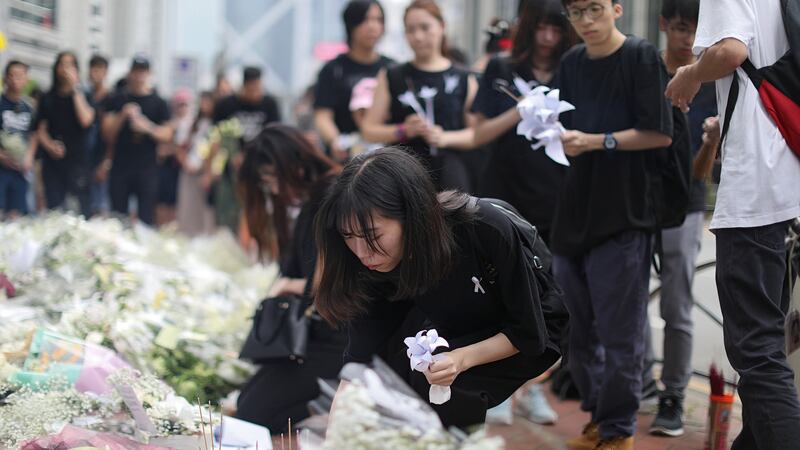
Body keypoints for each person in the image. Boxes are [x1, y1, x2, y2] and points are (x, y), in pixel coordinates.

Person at [312, 148, 569, 428]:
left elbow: (529, 334)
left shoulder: (484, 227)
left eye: (372, 235)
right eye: (349, 236)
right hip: (450, 323)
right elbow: (359, 361)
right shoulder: (370, 261)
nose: (362, 252)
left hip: (528, 329)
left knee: (441, 392)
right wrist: (336, 434)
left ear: (411, 215)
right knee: (393, 381)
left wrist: (460, 359)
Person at [666, 0, 800, 448]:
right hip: (791, 187)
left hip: (761, 189)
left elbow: (730, 51)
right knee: (770, 347)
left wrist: (688, 74)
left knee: (757, 352)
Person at [552, 0, 674, 448]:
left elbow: (660, 132)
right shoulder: (570, 62)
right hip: (574, 212)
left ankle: (618, 428)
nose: (586, 21)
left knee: (620, 333)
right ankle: (601, 417)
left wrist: (598, 141)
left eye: (594, 9)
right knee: (574, 331)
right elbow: (563, 132)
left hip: (624, 214)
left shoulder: (641, 56)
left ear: (617, 9)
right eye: (576, 13)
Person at [472, 0, 575, 426]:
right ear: (528, 27)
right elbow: (478, 131)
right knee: (498, 295)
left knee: (546, 300)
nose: (548, 38)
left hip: (558, 200)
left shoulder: (575, 69)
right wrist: (521, 109)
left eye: (556, 29)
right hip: (504, 200)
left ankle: (532, 389)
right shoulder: (499, 69)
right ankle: (498, 391)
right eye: (541, 28)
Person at [639, 0, 718, 437]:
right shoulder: (645, 69)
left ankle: (673, 394)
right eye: (682, 29)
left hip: (684, 203)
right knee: (629, 299)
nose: (689, 41)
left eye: (696, 31)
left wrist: (709, 141)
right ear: (665, 25)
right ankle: (641, 381)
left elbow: (701, 171)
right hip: (635, 202)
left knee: (676, 304)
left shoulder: (711, 79)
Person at [235, 124, 345, 432]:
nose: (270, 189)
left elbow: (327, 280)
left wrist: (286, 286)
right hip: (314, 334)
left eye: (270, 179)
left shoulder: (329, 194)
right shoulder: (308, 200)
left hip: (337, 336)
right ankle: (319, 418)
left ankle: (329, 419)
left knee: (251, 414)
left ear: (293, 165)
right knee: (248, 404)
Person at [361, 0, 479, 192]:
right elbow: (368, 129)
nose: (418, 36)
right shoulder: (392, 76)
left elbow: (477, 133)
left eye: (425, 27)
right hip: (405, 176)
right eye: (410, 30)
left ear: (442, 27)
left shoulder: (464, 77)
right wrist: (403, 130)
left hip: (452, 176)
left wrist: (445, 137)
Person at [313, 0, 394, 163]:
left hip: (386, 158)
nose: (372, 26)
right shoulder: (333, 69)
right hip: (345, 157)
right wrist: (335, 141)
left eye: (378, 20)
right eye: (365, 20)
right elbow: (322, 115)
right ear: (351, 25)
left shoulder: (392, 68)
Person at [100, 56, 174, 226]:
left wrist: (146, 127)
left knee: (146, 219)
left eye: (143, 71)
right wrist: (123, 115)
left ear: (149, 74)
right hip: (120, 167)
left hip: (147, 168)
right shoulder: (117, 98)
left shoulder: (159, 102)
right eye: (136, 71)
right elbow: (107, 133)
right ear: (130, 73)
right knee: (118, 218)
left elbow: (167, 135)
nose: (139, 75)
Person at [206, 66, 281, 233]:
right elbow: (214, 137)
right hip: (229, 170)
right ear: (244, 86)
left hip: (260, 168)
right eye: (252, 89)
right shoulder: (226, 105)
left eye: (259, 88)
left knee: (256, 212)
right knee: (227, 214)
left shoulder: (269, 104)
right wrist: (212, 167)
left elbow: (275, 136)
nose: (256, 93)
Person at [35, 51, 96, 217]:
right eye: (62, 64)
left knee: (81, 211)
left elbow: (86, 120)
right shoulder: (47, 97)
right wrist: (50, 145)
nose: (65, 69)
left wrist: (75, 88)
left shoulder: (85, 94)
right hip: (53, 163)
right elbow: (39, 129)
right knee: (54, 211)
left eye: (70, 65)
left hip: (78, 162)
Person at [176, 91, 215, 236]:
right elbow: (179, 147)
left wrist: (206, 169)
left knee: (206, 212)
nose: (205, 106)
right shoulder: (191, 123)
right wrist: (186, 163)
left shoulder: (215, 124)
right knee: (188, 209)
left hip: (207, 173)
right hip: (190, 171)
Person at [0, 60, 36, 219]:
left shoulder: (29, 107)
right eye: (12, 75)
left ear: (26, 80)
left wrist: (28, 157)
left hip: (20, 170)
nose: (15, 80)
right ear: (5, 78)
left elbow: (35, 134)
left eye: (20, 76)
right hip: (2, 168)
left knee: (17, 215)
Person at [155, 89, 192, 227]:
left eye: (185, 104)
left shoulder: (193, 125)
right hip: (168, 168)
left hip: (185, 170)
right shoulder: (169, 124)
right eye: (179, 104)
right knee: (164, 203)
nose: (182, 108)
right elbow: (161, 150)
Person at [87, 54, 111, 216]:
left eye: (100, 70)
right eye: (93, 69)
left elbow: (113, 136)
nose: (96, 74)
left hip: (103, 158)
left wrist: (106, 162)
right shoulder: (83, 96)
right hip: (84, 158)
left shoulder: (113, 98)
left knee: (102, 208)